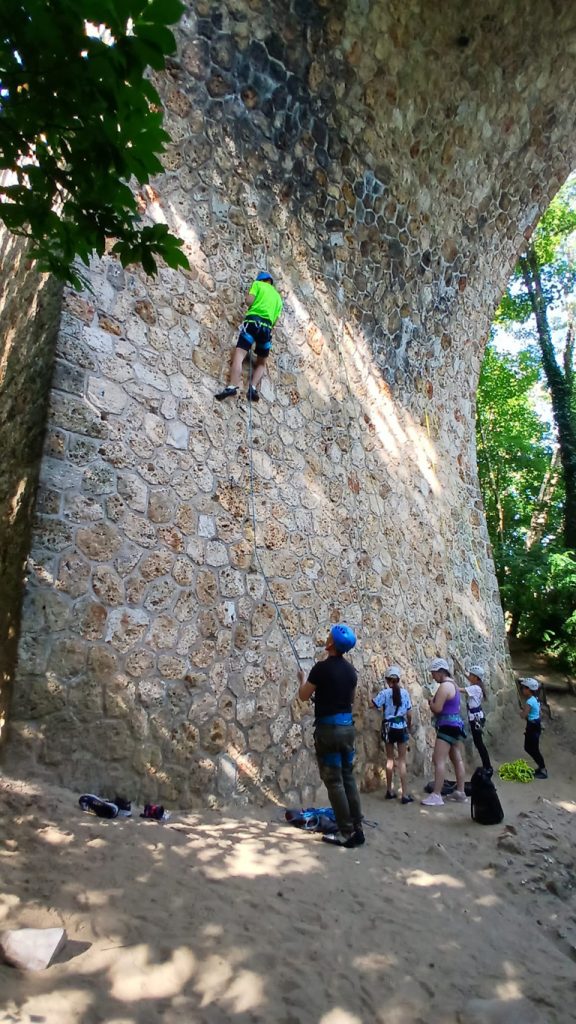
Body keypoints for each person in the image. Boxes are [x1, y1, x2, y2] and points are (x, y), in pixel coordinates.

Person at [297, 624, 365, 848]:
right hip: (347, 729)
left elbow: (303, 695)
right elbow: (349, 700)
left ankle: (346, 832)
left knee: (334, 781)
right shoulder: (351, 672)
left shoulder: (321, 669)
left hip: (329, 731)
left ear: (331, 644)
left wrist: (301, 679)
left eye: (329, 636)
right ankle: (357, 826)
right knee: (348, 777)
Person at [215, 272, 283, 402]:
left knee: (239, 355)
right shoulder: (278, 298)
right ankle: (252, 387)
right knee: (261, 362)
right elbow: (275, 321)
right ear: (270, 281)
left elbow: (249, 301)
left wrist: (251, 300)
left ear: (261, 280)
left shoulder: (257, 284)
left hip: (252, 322)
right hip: (266, 328)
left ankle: (232, 386)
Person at [421, 657, 468, 807]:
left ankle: (436, 794)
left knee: (438, 759)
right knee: (457, 759)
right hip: (456, 725)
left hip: (447, 726)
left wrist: (430, 703)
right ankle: (460, 792)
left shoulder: (444, 687)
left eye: (434, 674)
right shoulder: (453, 685)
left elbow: (437, 708)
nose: (433, 677)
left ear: (440, 672)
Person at [372, 665, 414, 804]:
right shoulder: (405, 693)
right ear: (399, 679)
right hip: (401, 726)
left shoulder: (384, 693)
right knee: (402, 760)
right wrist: (409, 726)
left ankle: (389, 790)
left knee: (390, 759)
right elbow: (409, 713)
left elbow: (374, 704)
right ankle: (405, 794)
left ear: (387, 680)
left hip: (388, 728)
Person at [458, 663, 492, 773]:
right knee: (478, 742)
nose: (469, 676)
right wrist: (459, 665)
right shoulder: (477, 686)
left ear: (476, 677)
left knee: (479, 743)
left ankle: (487, 766)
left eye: (471, 675)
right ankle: (487, 765)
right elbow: (467, 676)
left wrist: (448, 684)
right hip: (476, 717)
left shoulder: (475, 688)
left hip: (475, 718)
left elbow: (460, 689)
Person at [520, 677, 548, 779]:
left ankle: (543, 769)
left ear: (529, 689)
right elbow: (539, 713)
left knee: (532, 749)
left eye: (524, 688)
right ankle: (541, 767)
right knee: (530, 748)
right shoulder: (535, 699)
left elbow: (523, 715)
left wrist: (521, 712)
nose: (522, 690)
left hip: (532, 726)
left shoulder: (529, 702)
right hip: (535, 725)